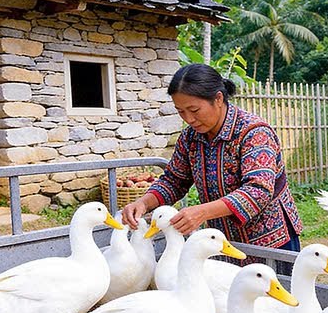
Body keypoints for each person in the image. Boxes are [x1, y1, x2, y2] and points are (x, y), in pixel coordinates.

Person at [123, 64, 303, 270]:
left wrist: (203, 212)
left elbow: (258, 191)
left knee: (274, 299)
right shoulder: (190, 137)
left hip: (269, 242)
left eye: (194, 110)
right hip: (221, 242)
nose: (189, 119)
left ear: (218, 99)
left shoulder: (253, 132)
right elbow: (175, 180)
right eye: (180, 112)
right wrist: (144, 203)